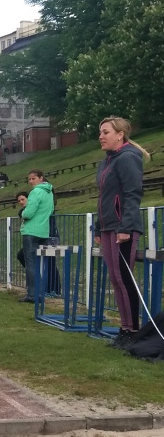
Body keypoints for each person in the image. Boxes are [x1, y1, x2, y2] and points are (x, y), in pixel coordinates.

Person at [95, 116, 148, 344]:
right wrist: (98, 227)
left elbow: (132, 194)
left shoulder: (127, 158)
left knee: (124, 278)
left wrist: (125, 227)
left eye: (106, 132)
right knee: (115, 279)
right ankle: (124, 328)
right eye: (100, 132)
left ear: (120, 135)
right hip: (108, 226)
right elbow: (103, 197)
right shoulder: (107, 161)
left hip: (123, 227)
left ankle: (133, 331)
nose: (101, 136)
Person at [18, 169, 55, 303]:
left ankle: (33, 294)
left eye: (33, 178)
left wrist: (22, 213)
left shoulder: (35, 192)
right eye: (29, 179)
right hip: (43, 231)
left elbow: (28, 213)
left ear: (41, 178)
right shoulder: (49, 192)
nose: (31, 181)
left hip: (31, 231)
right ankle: (40, 293)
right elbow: (51, 210)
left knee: (31, 263)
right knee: (40, 263)